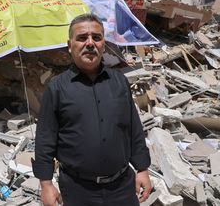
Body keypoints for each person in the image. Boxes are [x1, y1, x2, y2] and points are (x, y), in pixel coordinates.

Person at [32, 13, 151, 206]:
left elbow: (133, 129)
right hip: (78, 191)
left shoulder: (119, 81)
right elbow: (45, 139)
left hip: (122, 188)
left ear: (103, 44)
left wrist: (143, 168)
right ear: (70, 45)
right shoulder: (57, 88)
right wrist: (46, 184)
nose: (90, 43)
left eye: (96, 37)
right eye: (82, 38)